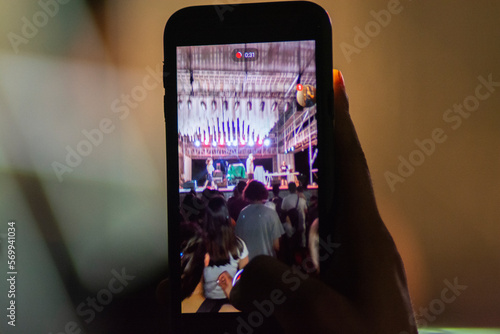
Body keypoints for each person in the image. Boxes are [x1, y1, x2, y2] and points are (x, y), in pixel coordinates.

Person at [216, 70, 418, 334]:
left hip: (246, 284)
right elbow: (279, 245)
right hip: (274, 285)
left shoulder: (241, 216)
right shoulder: (279, 212)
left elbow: (240, 245)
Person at [199, 195, 249, 312]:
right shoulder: (239, 244)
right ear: (227, 217)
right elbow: (245, 278)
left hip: (206, 303)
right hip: (230, 301)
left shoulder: (200, 245)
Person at [235, 180, 285, 261]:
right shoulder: (271, 213)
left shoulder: (243, 213)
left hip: (249, 262)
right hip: (268, 261)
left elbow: (238, 239)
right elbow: (276, 246)